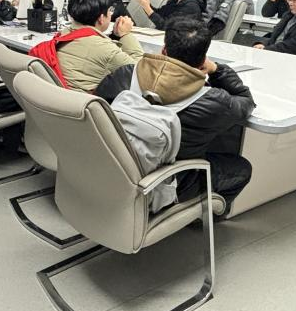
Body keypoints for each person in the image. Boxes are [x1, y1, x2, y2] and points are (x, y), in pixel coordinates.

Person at [96, 16, 254, 214]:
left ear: (164, 50)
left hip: (113, 168)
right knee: (241, 168)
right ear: (202, 59)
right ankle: (202, 218)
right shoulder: (213, 101)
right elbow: (246, 102)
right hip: (166, 183)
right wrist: (216, 69)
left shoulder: (125, 74)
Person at [30, 0, 142, 92]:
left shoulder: (64, 33)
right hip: (86, 105)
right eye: (110, 11)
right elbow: (141, 73)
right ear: (101, 18)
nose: (111, 14)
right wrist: (126, 34)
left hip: (59, 99)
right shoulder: (106, 49)